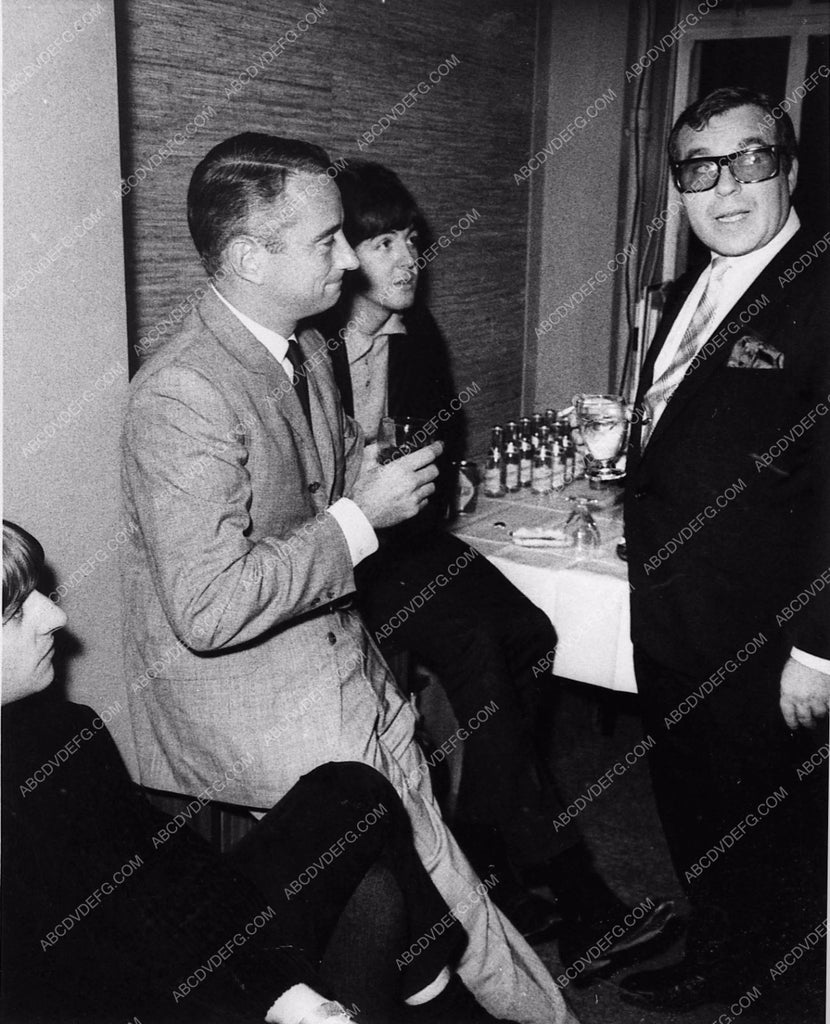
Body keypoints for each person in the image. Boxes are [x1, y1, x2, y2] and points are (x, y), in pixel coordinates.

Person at [120, 133, 577, 1024]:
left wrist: (357, 498)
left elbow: (311, 504)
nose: (351, 261)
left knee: (439, 863)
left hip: (337, 659)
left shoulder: (304, 348)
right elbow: (208, 608)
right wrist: (360, 516)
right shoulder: (182, 395)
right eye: (328, 241)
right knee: (424, 873)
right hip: (248, 699)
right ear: (250, 258)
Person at [315, 159, 677, 972]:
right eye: (383, 243)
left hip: (408, 542)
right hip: (347, 556)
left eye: (410, 239)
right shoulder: (313, 351)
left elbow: (437, 453)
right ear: (341, 255)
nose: (408, 258)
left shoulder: (416, 338)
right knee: (480, 646)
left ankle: (484, 845)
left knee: (532, 632)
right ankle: (575, 891)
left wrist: (439, 478)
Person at [1, 518, 522, 1024]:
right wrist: (290, 1000)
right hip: (135, 999)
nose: (56, 615)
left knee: (353, 790)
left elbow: (162, 871)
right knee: (373, 891)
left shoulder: (61, 730)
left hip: (182, 943)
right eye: (18, 610)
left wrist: (277, 981)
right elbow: (113, 947)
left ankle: (436, 1001)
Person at [621, 86, 830, 1009]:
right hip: (677, 610)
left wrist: (819, 647)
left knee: (772, 823)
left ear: (789, 169)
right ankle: (719, 945)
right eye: (701, 171)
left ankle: (777, 984)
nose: (728, 190)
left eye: (751, 161)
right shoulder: (682, 294)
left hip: (769, 628)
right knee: (694, 797)